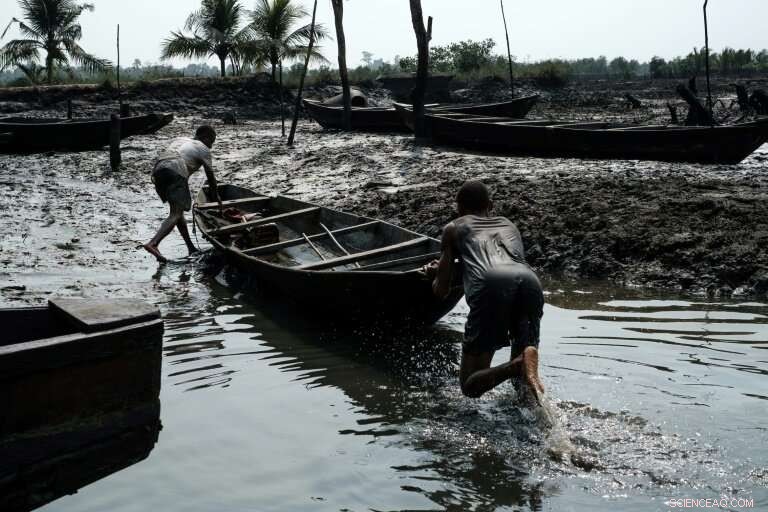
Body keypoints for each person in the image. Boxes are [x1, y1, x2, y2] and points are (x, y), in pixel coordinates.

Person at [424, 180, 545, 401]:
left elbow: (441, 291)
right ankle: (539, 418)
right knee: (525, 382)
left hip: (491, 286)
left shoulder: (453, 228)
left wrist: (434, 273)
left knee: (470, 387)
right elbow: (494, 261)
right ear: (491, 205)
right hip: (530, 282)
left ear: (459, 209)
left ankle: (515, 365)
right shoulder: (509, 225)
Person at [143, 125, 222, 263]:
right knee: (175, 214)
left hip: (159, 170)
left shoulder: (180, 139)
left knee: (177, 212)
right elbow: (210, 176)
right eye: (212, 142)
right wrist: (216, 197)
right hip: (176, 169)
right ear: (205, 138)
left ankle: (190, 247)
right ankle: (153, 243)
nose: (211, 146)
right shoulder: (203, 148)